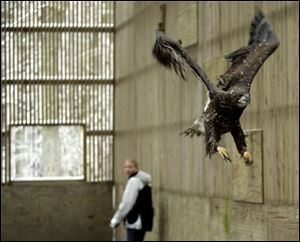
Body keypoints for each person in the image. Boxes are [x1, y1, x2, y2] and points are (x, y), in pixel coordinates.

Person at [110, 158, 154, 241]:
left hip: (135, 221)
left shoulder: (134, 181)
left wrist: (116, 219)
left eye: (130, 167)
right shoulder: (143, 180)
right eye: (125, 167)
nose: (127, 169)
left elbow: (127, 203)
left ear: (136, 168)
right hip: (143, 220)